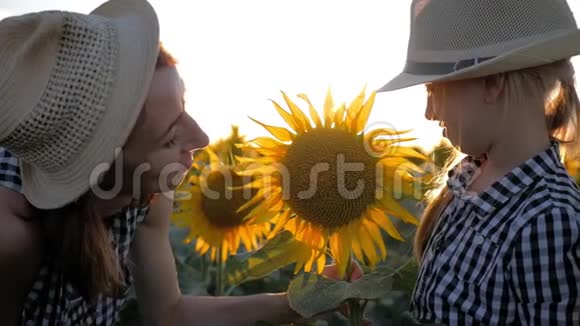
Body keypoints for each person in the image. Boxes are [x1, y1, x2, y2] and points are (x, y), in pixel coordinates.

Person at [0, 1, 359, 325]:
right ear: (99, 170)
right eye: (170, 138)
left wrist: (304, 300)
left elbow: (168, 313)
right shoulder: (12, 237)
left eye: (184, 107)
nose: (202, 139)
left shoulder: (145, 191)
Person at [378, 0, 580, 325]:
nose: (429, 112)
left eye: (433, 89)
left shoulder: (549, 221)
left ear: (492, 82)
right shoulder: (467, 181)